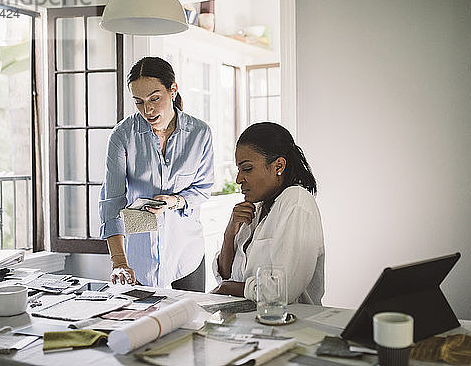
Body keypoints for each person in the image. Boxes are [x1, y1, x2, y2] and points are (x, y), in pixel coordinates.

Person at [99, 56, 214, 292]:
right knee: (141, 325)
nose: (147, 109)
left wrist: (174, 201)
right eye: (139, 102)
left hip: (186, 255)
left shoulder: (200, 133)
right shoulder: (122, 136)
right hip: (138, 259)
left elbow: (203, 190)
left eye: (154, 99)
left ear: (173, 90)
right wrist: (119, 262)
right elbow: (113, 203)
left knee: (191, 325)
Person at [211, 122, 325, 304]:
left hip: (290, 326)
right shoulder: (257, 208)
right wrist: (229, 234)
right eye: (238, 170)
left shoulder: (296, 202)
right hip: (250, 324)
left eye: (247, 169)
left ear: (278, 166)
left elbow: (281, 291)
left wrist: (228, 288)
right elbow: (226, 276)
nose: (239, 179)